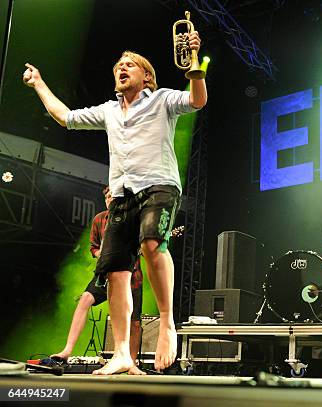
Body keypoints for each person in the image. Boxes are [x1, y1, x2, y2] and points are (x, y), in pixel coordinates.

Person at [23, 30, 207, 374]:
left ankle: (167, 323)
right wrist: (39, 84)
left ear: (145, 76)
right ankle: (122, 354)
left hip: (160, 185)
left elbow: (197, 101)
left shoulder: (162, 99)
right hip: (122, 196)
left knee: (153, 242)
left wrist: (195, 65)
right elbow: (66, 117)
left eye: (130, 65)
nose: (121, 68)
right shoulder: (108, 110)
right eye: (118, 65)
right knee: (117, 274)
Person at [51, 187, 144, 372]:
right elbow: (92, 246)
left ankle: (130, 363)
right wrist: (100, 252)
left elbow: (141, 245)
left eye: (113, 196)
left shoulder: (132, 218)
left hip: (131, 277)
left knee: (134, 322)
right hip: (104, 273)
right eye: (107, 197)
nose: (110, 199)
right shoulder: (99, 219)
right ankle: (67, 350)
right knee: (85, 299)